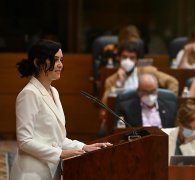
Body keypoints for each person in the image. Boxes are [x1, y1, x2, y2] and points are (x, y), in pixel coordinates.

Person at [10, 40, 112, 180]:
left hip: (51, 171)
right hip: (31, 173)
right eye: (55, 59)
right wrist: (60, 153)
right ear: (37, 62)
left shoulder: (54, 91)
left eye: (61, 60)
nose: (60, 65)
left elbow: (56, 139)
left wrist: (84, 147)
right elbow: (24, 141)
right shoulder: (29, 93)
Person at [101, 41, 178, 105]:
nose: (127, 61)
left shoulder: (148, 71)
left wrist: (165, 103)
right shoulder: (111, 80)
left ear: (137, 60)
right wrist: (118, 83)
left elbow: (173, 82)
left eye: (132, 58)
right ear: (119, 58)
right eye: (124, 57)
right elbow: (104, 104)